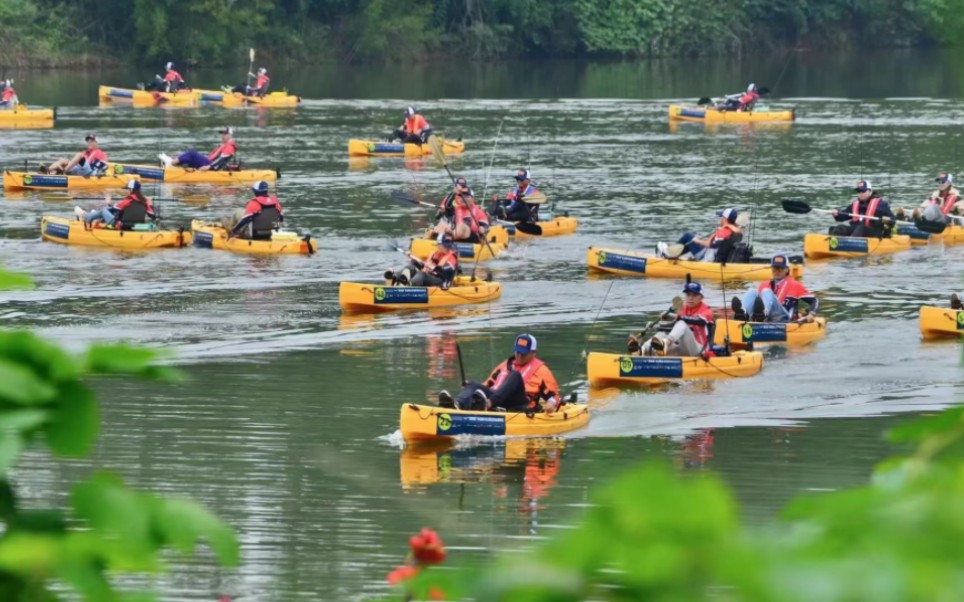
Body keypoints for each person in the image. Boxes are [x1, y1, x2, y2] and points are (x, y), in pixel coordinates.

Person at [437, 334, 561, 413]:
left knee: (515, 375)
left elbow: (553, 396)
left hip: (519, 403)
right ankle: (457, 405)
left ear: (534, 353)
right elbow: (486, 386)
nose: (519, 356)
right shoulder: (505, 365)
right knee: (473, 384)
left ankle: (487, 405)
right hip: (498, 399)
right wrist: (470, 389)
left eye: (523, 353)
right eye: (517, 352)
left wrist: (551, 403)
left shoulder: (542, 370)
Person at [731, 254, 819, 323]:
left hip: (784, 319)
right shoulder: (764, 284)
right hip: (766, 319)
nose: (776, 272)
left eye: (780, 269)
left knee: (766, 291)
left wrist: (811, 314)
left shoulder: (796, 285)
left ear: (787, 270)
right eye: (774, 269)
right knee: (752, 291)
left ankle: (763, 314)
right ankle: (743, 313)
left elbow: (815, 300)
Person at [639, 282, 715, 358]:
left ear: (701, 297)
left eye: (694, 295)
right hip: (682, 347)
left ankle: (666, 342)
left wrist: (680, 317)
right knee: (663, 332)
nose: (691, 298)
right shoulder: (683, 309)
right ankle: (643, 349)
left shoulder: (707, 310)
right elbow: (673, 327)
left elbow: (699, 320)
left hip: (700, 350)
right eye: (688, 295)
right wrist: (654, 326)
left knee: (682, 323)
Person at [656, 208, 743, 262]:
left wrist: (697, 240)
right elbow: (715, 243)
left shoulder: (724, 231)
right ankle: (673, 254)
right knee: (692, 236)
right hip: (711, 254)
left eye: (721, 217)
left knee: (688, 236)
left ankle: (668, 253)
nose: (720, 218)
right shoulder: (733, 230)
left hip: (707, 258)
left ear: (725, 219)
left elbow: (711, 245)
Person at [386, 232, 459, 288]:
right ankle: (395, 279)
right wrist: (414, 261)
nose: (446, 248)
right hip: (429, 277)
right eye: (443, 245)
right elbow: (423, 267)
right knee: (411, 267)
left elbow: (446, 273)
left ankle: (407, 286)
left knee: (422, 275)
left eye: (447, 246)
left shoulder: (451, 257)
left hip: (441, 282)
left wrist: (433, 267)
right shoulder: (434, 253)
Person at [74, 180, 156, 229]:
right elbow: (153, 216)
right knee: (105, 212)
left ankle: (86, 217)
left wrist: (108, 203)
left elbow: (114, 209)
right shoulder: (145, 201)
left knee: (103, 210)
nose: (127, 191)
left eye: (127, 189)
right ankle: (90, 215)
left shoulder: (129, 199)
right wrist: (151, 204)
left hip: (120, 225)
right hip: (137, 226)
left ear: (131, 189)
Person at [829, 180, 895, 238]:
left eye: (863, 191)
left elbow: (892, 220)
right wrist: (836, 214)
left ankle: (851, 245)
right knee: (840, 228)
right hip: (856, 230)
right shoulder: (855, 204)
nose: (860, 193)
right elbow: (843, 215)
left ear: (870, 191)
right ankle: (831, 243)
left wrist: (886, 220)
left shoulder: (881, 204)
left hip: (873, 232)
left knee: (861, 227)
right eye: (858, 191)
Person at [432, 177, 489, 242]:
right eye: (461, 196)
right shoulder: (455, 209)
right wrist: (454, 193)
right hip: (455, 233)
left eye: (466, 196)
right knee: (442, 224)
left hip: (471, 237)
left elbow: (486, 226)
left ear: (473, 199)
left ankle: (446, 239)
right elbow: (447, 207)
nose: (463, 198)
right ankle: (438, 240)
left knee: (462, 226)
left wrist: (483, 229)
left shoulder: (478, 211)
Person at [158, 127, 237, 171]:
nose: (222, 136)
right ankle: (171, 164)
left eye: (225, 134)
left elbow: (221, 160)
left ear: (230, 135)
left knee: (192, 153)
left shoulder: (230, 146)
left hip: (210, 166)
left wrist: (209, 167)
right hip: (209, 163)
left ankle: (170, 163)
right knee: (189, 158)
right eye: (222, 134)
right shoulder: (223, 145)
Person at [897, 173, 963, 224]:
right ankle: (906, 218)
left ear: (949, 183)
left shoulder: (956, 197)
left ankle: (916, 219)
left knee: (933, 210)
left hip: (947, 220)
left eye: (943, 181)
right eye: (939, 181)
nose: (940, 184)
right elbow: (924, 205)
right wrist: (922, 208)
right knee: (922, 209)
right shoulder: (935, 194)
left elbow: (959, 212)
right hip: (933, 217)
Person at [44, 134, 109, 176]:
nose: (89, 143)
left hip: (89, 171)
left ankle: (63, 171)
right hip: (78, 169)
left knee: (79, 155)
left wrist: (100, 171)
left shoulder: (100, 153)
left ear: (96, 143)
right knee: (62, 160)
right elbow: (74, 162)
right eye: (88, 142)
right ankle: (48, 171)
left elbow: (106, 164)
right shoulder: (84, 152)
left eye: (91, 141)